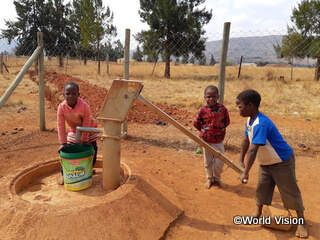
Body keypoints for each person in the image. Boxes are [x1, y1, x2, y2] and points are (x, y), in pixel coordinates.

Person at [236, 89, 308, 238]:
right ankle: (257, 213)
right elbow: (245, 141)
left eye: (239, 106)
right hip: (265, 162)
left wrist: (245, 172)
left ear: (250, 106)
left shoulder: (261, 124)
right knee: (261, 187)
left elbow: (253, 149)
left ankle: (301, 220)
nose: (238, 110)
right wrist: (240, 160)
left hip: (282, 161)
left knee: (289, 190)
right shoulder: (249, 120)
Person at [57, 82, 99, 185]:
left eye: (73, 93)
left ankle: (89, 169)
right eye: (68, 93)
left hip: (89, 129)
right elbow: (60, 126)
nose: (70, 96)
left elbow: (86, 123)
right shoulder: (61, 107)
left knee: (92, 149)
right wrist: (63, 143)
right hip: (75, 130)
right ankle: (64, 174)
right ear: (64, 95)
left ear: (78, 95)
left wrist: (85, 140)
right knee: (67, 150)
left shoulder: (84, 106)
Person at [194, 85, 230, 189]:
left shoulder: (222, 109)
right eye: (208, 97)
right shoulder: (202, 110)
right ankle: (209, 179)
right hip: (206, 141)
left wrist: (218, 131)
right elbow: (196, 123)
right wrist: (206, 131)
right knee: (208, 161)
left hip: (218, 141)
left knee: (220, 162)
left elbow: (227, 122)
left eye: (213, 96)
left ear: (218, 96)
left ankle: (217, 179)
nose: (211, 99)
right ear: (204, 97)